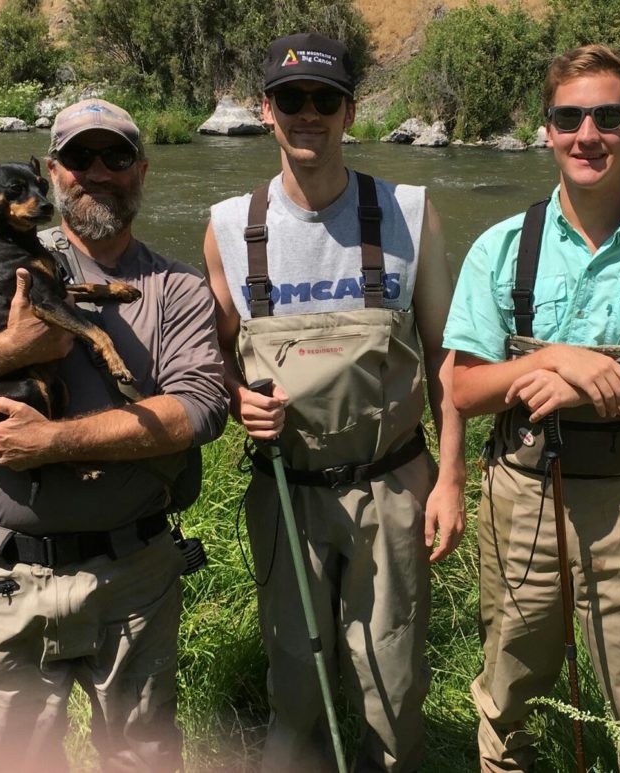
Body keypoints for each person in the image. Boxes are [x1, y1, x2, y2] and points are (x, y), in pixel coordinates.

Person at [0, 98, 229, 771]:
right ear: (51, 173)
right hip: (5, 575)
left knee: (142, 758)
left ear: (143, 169)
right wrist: (12, 345)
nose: (97, 172)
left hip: (133, 580)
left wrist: (52, 441)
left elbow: (202, 409)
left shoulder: (178, 288)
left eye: (117, 156)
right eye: (78, 157)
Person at [443, 44, 620, 771]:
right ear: (547, 130)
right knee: (507, 695)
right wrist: (550, 361)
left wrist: (605, 386)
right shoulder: (502, 248)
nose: (586, 134)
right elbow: (466, 389)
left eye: (607, 115)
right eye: (569, 117)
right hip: (522, 500)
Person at [203, 32, 466, 773]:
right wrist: (234, 399)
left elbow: (449, 355)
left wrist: (451, 478)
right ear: (266, 110)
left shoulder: (411, 212)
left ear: (351, 110)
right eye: (292, 99)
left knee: (392, 680)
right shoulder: (229, 226)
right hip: (286, 488)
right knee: (295, 682)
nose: (307, 114)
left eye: (325, 99)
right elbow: (214, 356)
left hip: (393, 483)